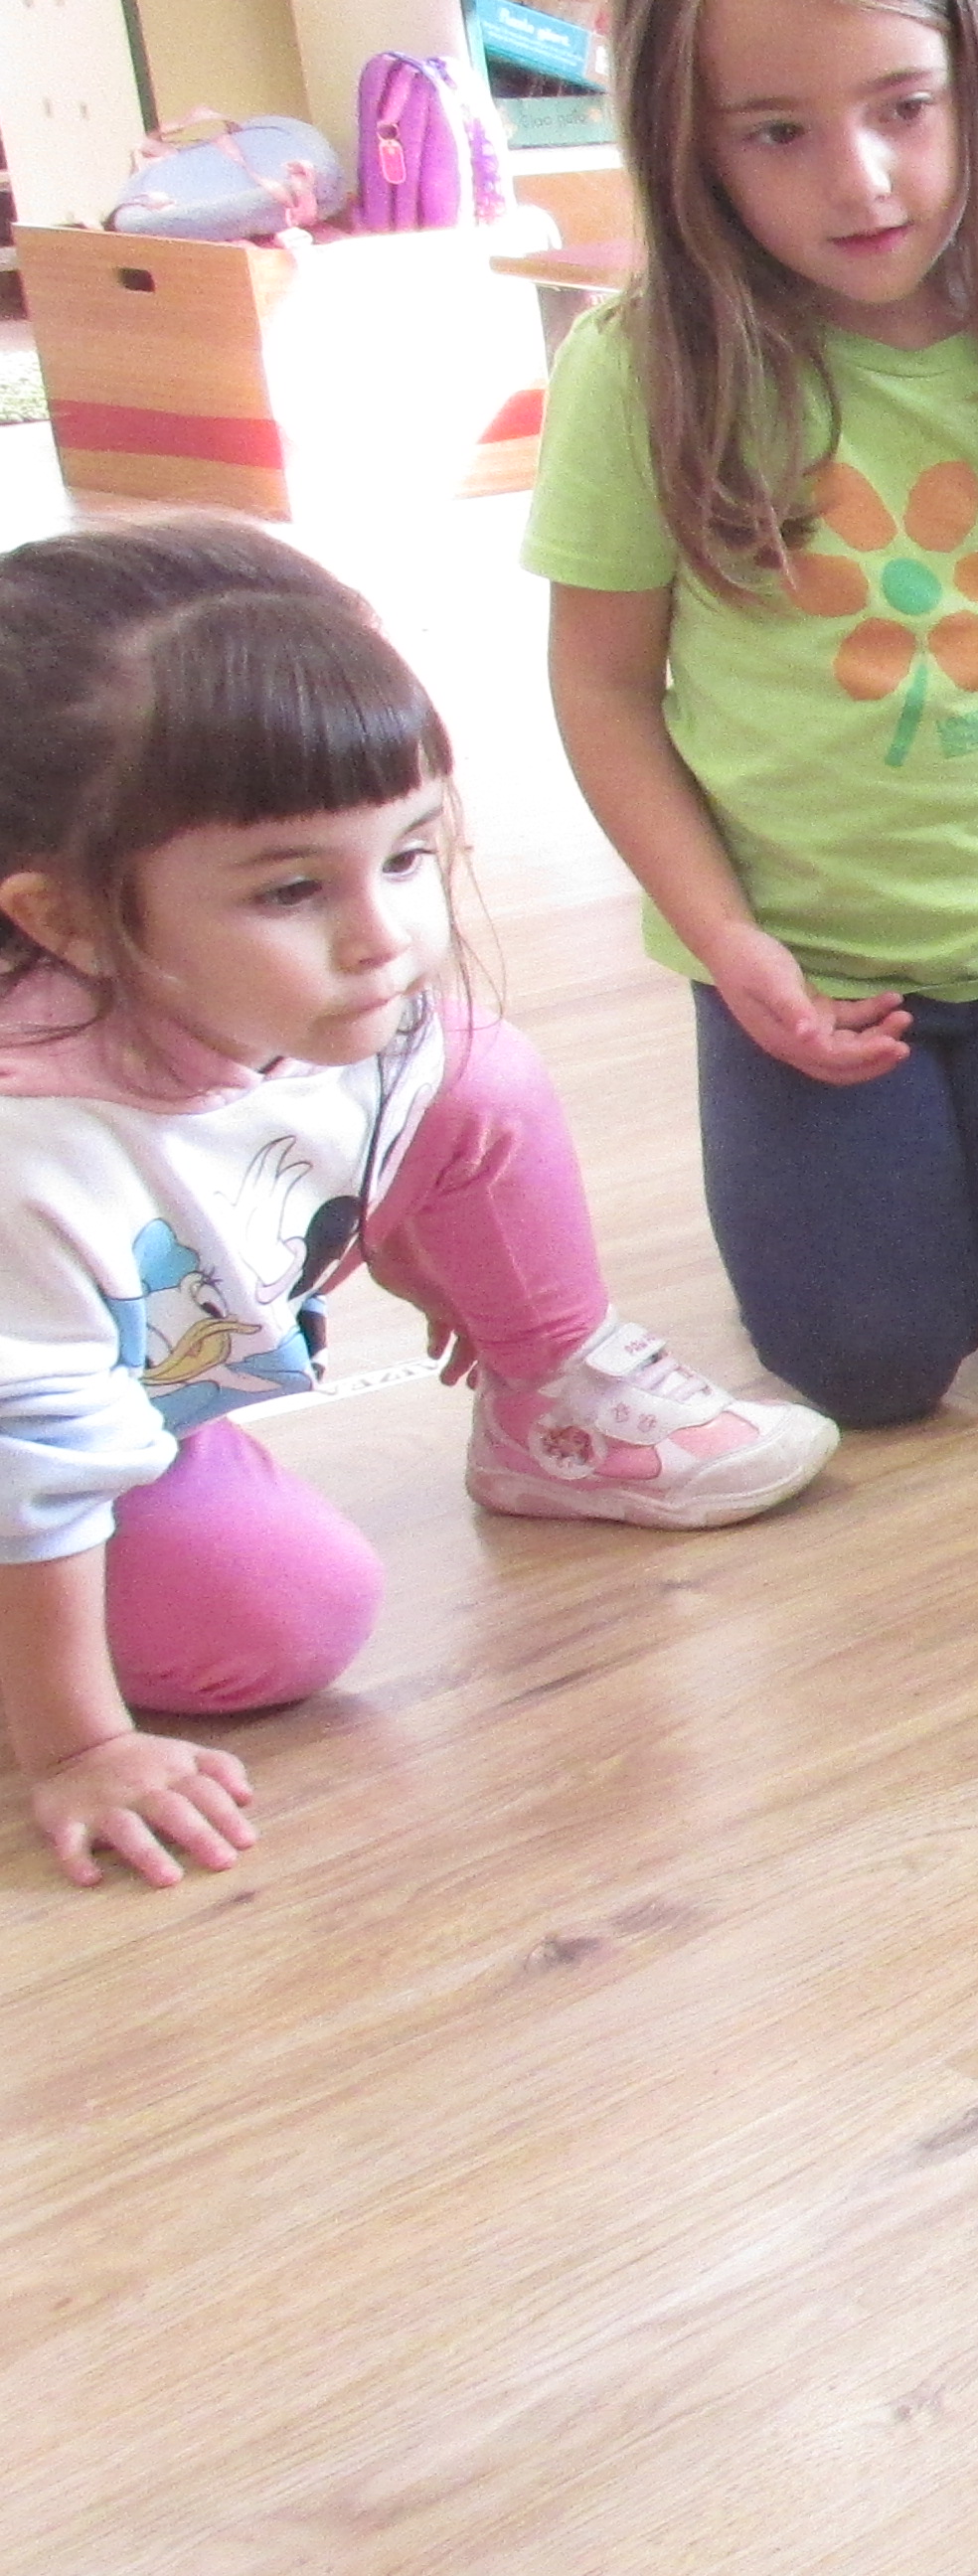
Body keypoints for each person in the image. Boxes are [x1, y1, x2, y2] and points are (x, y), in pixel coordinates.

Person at [0, 520, 838, 1891]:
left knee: (474, 1070)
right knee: (283, 1627)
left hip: (136, 1385)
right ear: (71, 922)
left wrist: (453, 1275)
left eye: (405, 856)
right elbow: (29, 1462)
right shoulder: (31, 1156)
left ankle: (550, 1402)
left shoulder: (317, 1002)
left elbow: (413, 1105)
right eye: (290, 888)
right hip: (38, 1446)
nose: (384, 931)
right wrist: (75, 1744)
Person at [537, 0, 978, 1428]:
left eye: (904, 109)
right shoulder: (640, 371)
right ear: (694, 147)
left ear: (977, 92)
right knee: (868, 1364)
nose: (861, 180)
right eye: (779, 133)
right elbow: (603, 691)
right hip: (806, 978)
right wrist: (736, 950)